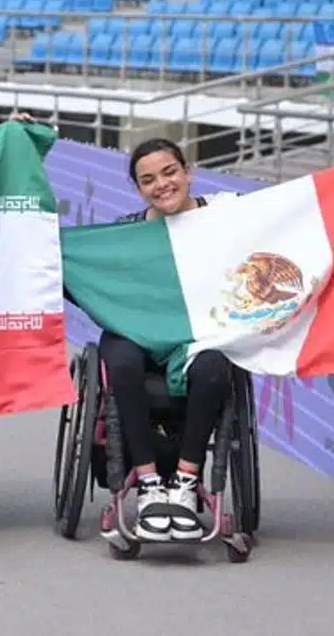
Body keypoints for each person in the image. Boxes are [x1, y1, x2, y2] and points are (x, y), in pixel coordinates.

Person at [96, 138, 241, 543]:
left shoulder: (226, 216)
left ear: (187, 171)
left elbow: (289, 214)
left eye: (169, 172)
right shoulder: (127, 233)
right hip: (138, 335)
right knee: (120, 362)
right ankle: (147, 482)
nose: (161, 184)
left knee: (215, 366)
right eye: (147, 180)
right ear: (138, 189)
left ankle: (184, 480)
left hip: (198, 335)